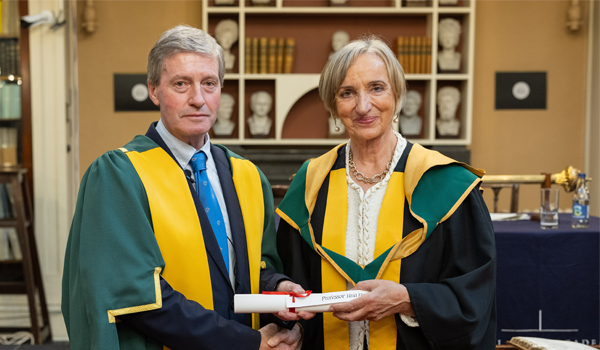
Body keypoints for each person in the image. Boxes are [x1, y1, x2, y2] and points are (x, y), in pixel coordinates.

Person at [62, 25, 309, 350]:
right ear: (154, 90)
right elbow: (139, 297)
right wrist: (244, 342)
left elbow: (254, 267)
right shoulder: (119, 175)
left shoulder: (246, 175)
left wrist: (277, 287)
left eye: (209, 83)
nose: (198, 99)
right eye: (181, 84)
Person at [276, 36, 496, 350]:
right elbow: (292, 285)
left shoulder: (446, 184)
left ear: (397, 95)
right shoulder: (311, 183)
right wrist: (293, 329)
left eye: (377, 88)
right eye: (347, 93)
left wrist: (408, 300)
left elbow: (475, 296)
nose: (363, 106)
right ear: (333, 106)